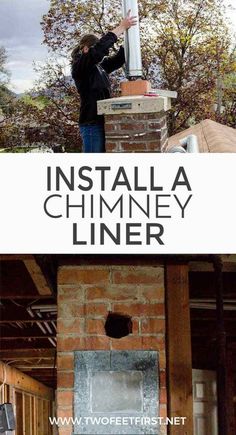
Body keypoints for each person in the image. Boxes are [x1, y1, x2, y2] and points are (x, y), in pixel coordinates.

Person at [71, 11, 137, 153]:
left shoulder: (98, 67)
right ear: (86, 49)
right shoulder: (80, 67)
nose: (102, 55)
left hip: (101, 122)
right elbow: (99, 50)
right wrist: (121, 27)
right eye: (95, 50)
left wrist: (130, 36)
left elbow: (119, 59)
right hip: (91, 126)